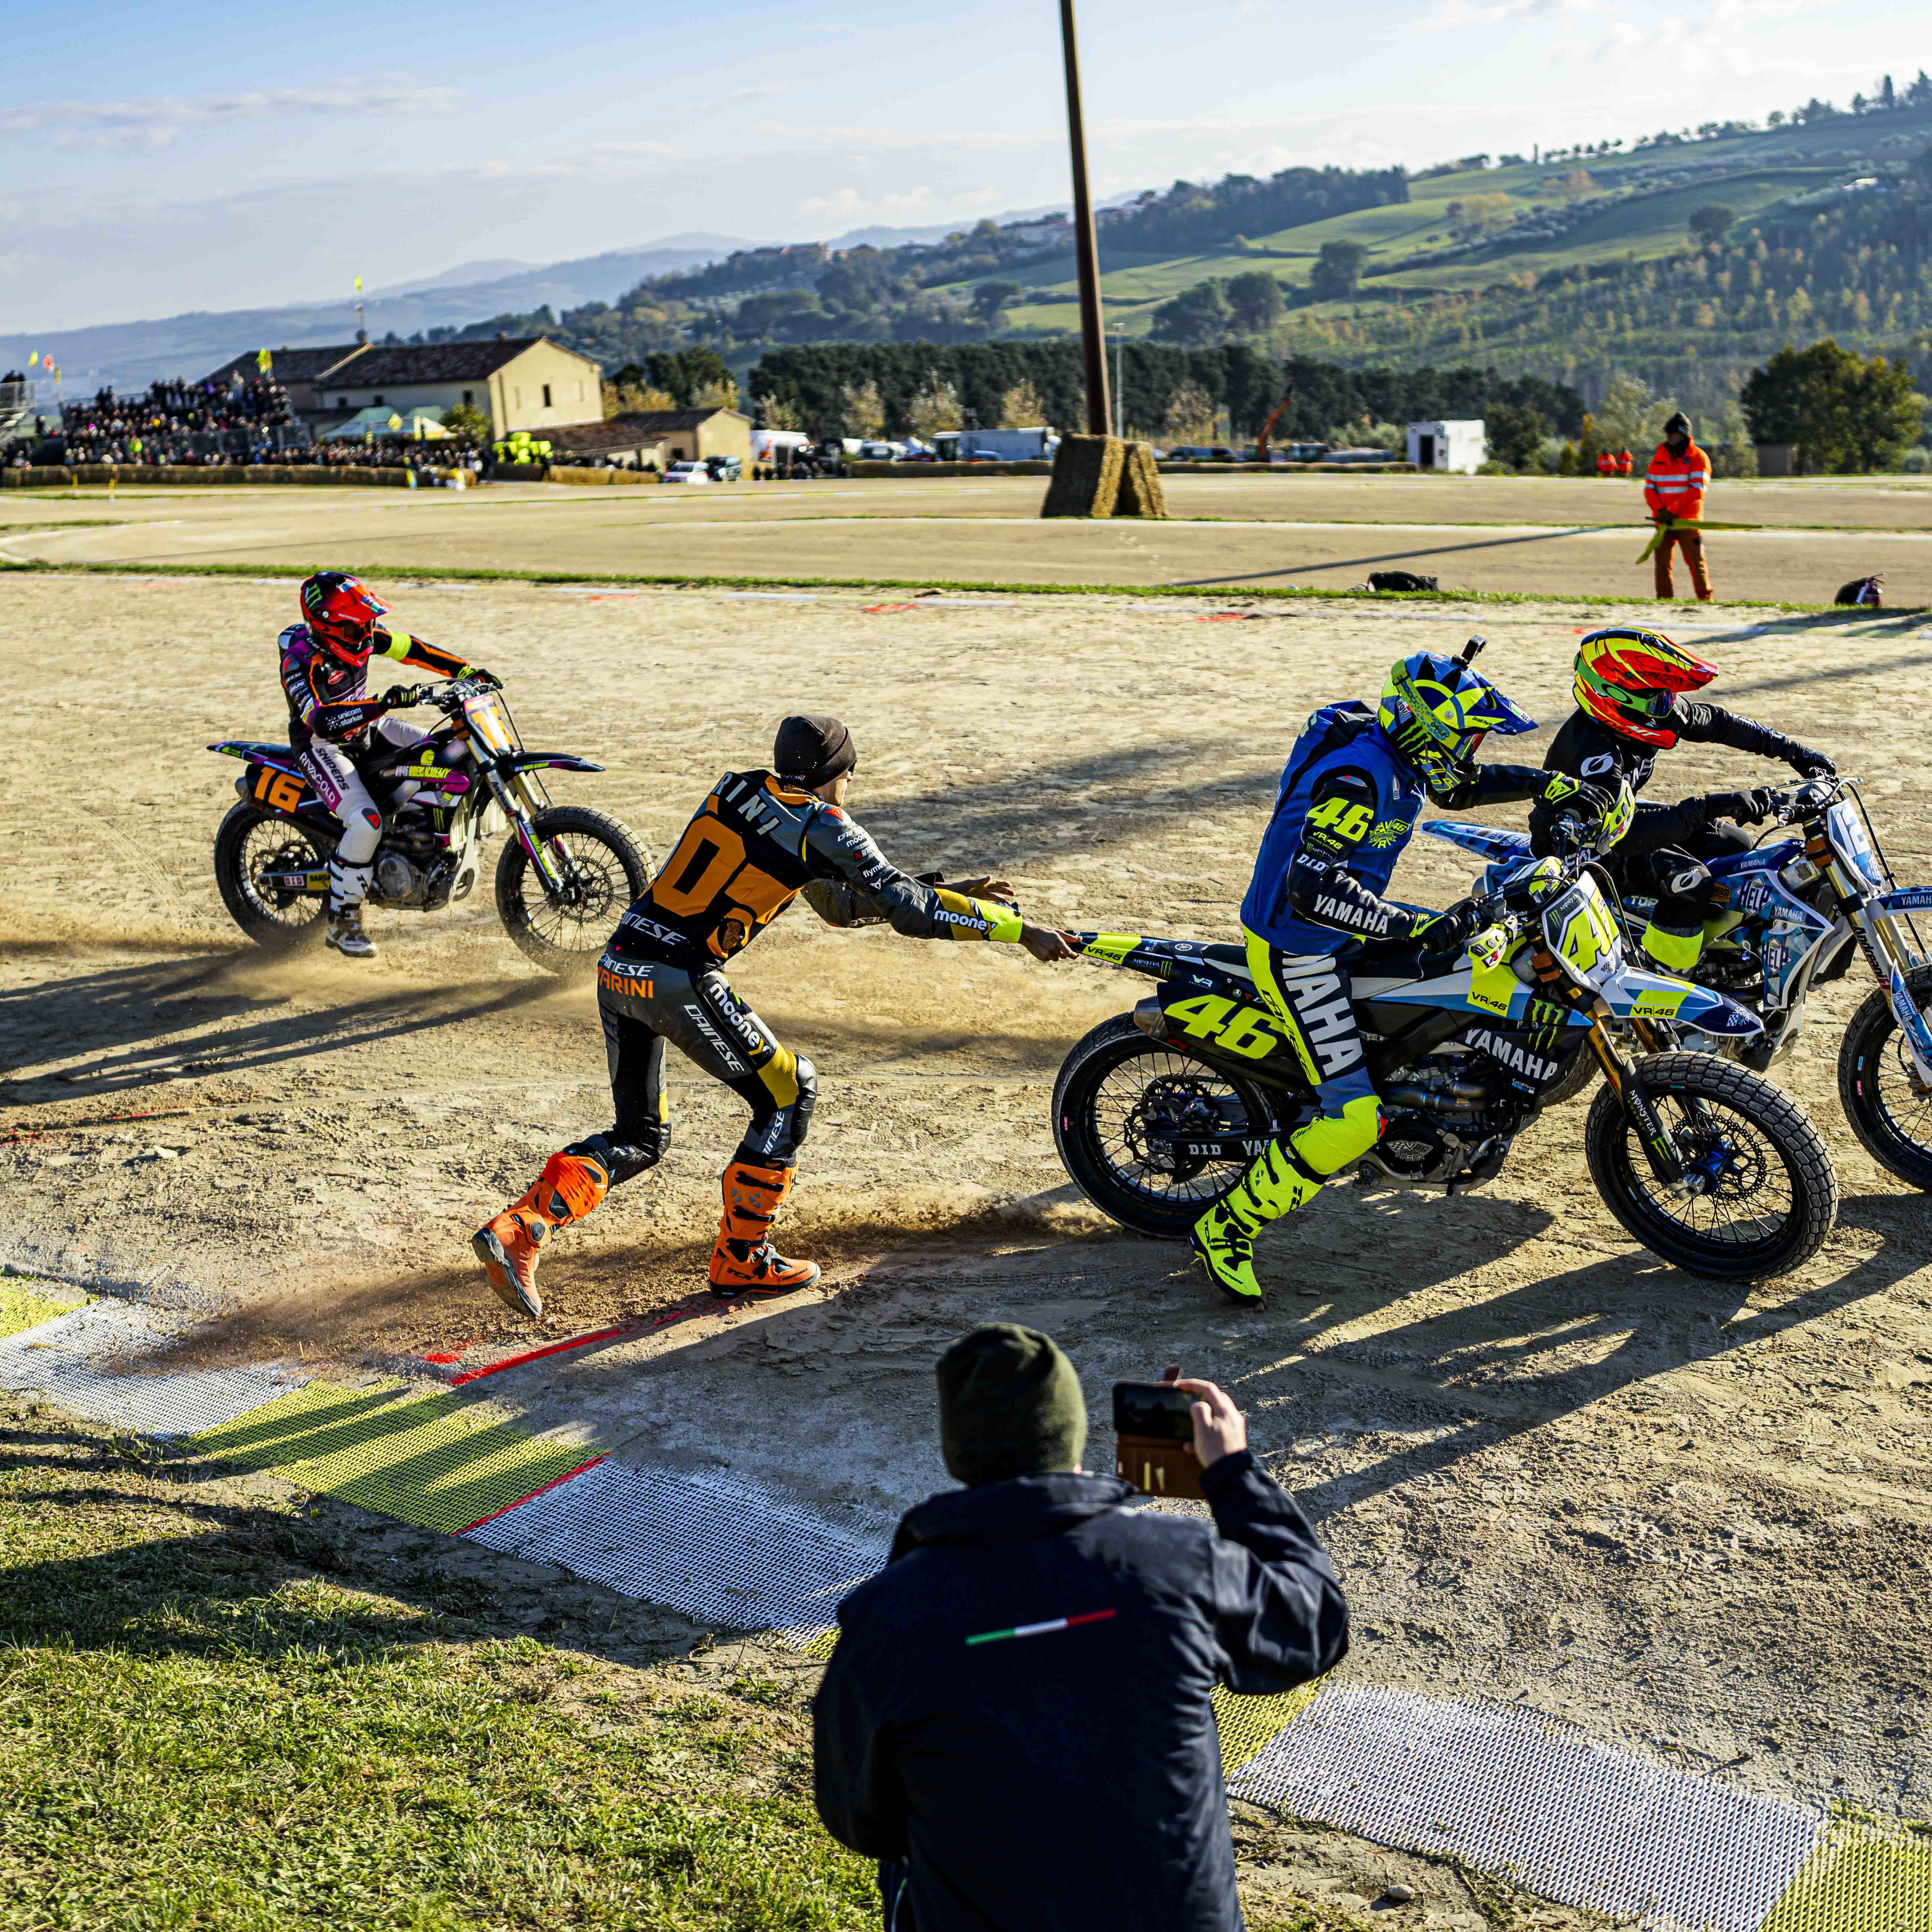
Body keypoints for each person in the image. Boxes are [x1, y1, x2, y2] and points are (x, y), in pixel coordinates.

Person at [472, 715, 1076, 1320]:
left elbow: (840, 905)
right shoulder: (824, 823)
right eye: (850, 775)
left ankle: (519, 1227)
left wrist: (935, 890)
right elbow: (907, 912)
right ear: (839, 772)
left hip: (620, 968)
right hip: (678, 976)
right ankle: (742, 1258)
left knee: (640, 1137)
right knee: (790, 1092)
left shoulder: (741, 788)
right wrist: (1020, 930)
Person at [813, 1323, 1349, 1932]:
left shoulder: (886, 1614)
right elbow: (1314, 1626)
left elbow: (858, 1818)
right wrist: (1233, 1473)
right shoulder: (1182, 1563)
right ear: (1074, 1430)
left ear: (956, 1447)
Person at [1190, 649, 1610, 1305]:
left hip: (1344, 931)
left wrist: (1547, 786)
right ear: (1426, 729)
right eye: (1466, 738)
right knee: (1356, 1121)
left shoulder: (1403, 760)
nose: (1471, 752)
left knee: (1464, 968)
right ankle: (1228, 1225)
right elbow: (1309, 888)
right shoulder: (1360, 780)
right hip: (1301, 950)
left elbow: (1459, 789)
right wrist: (1409, 926)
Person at [1533, 627, 1834, 974]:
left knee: (1734, 844)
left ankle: (1707, 950)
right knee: (1691, 880)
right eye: (1659, 701)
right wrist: (1712, 806)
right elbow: (1624, 836)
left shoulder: (1654, 713)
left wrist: (1792, 752)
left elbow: (1719, 724)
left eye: (1669, 697)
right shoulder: (1593, 756)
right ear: (1614, 698)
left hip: (1617, 822)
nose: (1669, 708)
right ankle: (1663, 976)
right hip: (1580, 850)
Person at [278, 572, 494, 959]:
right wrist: (383, 704)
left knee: (452, 753)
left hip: (368, 729)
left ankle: (431, 846)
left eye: (369, 623)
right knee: (366, 822)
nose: (367, 634)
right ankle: (342, 922)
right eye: (356, 627)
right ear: (326, 627)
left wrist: (466, 672)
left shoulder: (364, 638)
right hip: (322, 747)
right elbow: (322, 721)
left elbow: (414, 650)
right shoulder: (302, 660)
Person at [1645, 410, 1713, 601]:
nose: (1670, 437)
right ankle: (1664, 601)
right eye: (1668, 433)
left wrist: (1671, 511)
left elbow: (1696, 490)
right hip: (1663, 522)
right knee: (1662, 564)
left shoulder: (1699, 457)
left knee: (1696, 563)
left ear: (1683, 434)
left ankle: (1705, 600)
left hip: (1688, 522)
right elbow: (1649, 489)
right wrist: (1660, 511)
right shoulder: (1659, 457)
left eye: (1673, 433)